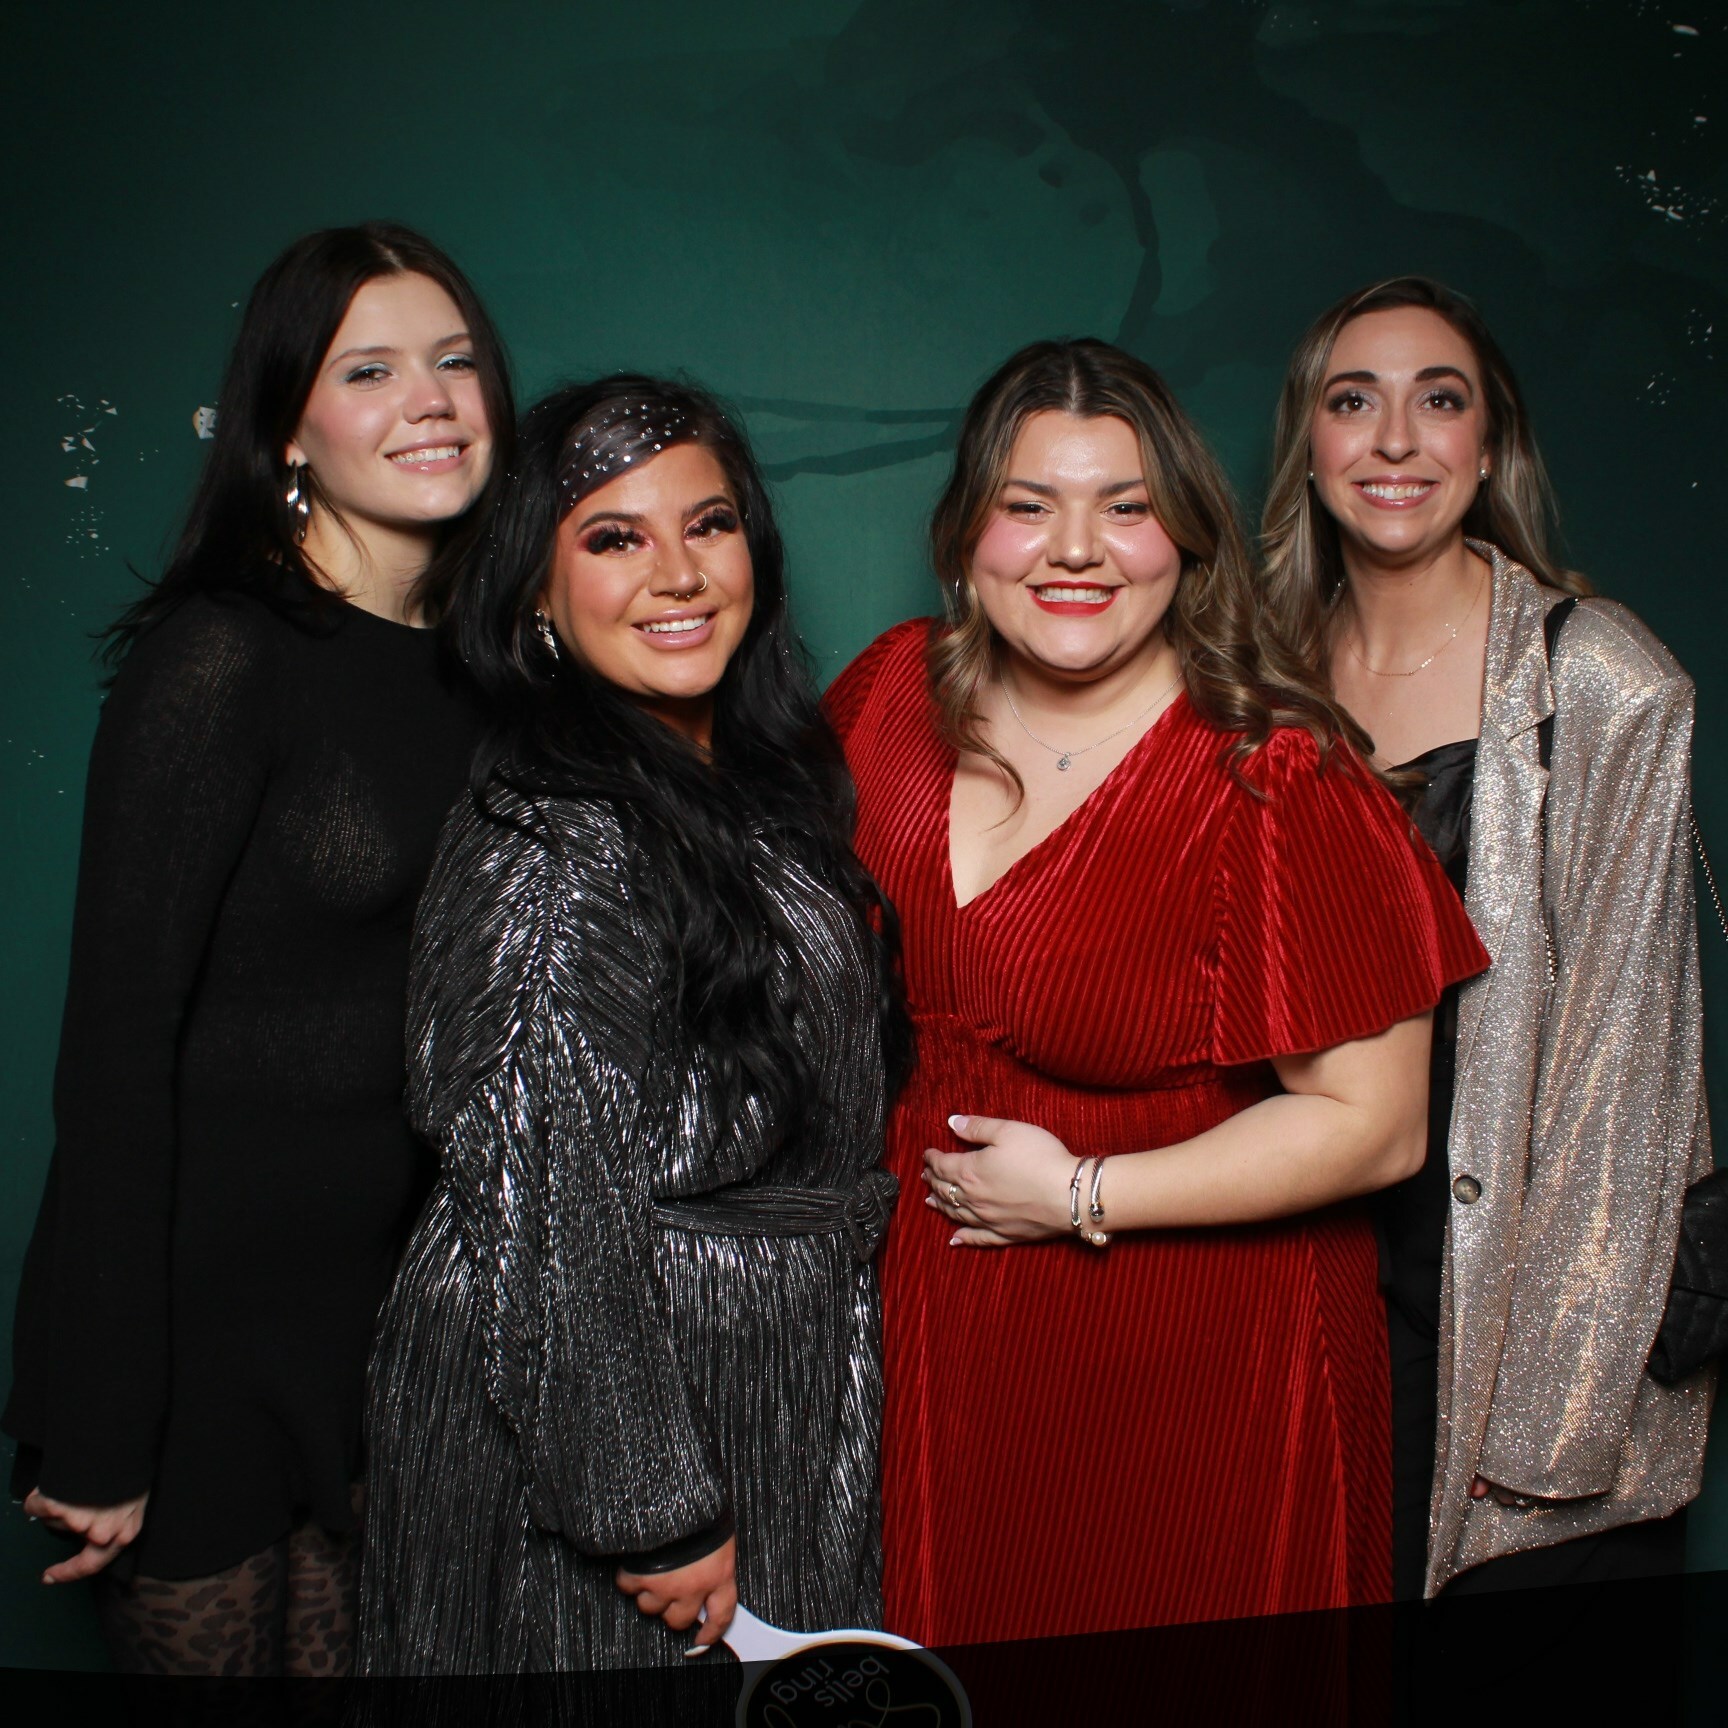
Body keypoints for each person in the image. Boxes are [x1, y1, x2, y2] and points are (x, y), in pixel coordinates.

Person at [825, 338, 1488, 1646]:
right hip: (936, 1332)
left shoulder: (1276, 775)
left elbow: (1378, 1127)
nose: (1076, 549)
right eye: (1029, 505)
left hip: (1192, 1362)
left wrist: (1082, 1194)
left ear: (1185, 537)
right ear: (965, 533)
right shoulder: (890, 694)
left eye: (1125, 507)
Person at [4, 222, 513, 1676]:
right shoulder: (220, 655)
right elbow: (115, 1052)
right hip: (194, 1335)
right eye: (370, 370)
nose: (431, 400)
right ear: (287, 424)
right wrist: (104, 1412)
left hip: (385, 1322)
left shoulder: (491, 672)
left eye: (455, 360)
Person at [357, 378, 905, 1676]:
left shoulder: (747, 780)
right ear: (536, 598)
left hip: (752, 1371)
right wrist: (648, 1504)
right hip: (613, 1411)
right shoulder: (555, 833)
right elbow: (541, 1188)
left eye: (708, 525)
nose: (678, 574)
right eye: (614, 538)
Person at [1260, 276, 1715, 1599]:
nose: (1397, 439)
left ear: (1491, 443)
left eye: (1439, 400)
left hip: (1519, 1302)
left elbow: (1624, 1074)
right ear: (1309, 442)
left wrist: (1542, 1426)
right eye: (1355, 400)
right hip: (1319, 1278)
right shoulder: (1261, 677)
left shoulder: (1602, 678)